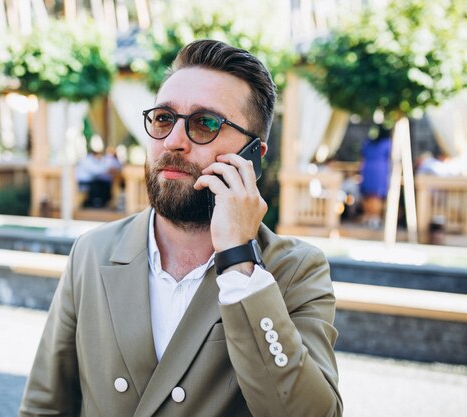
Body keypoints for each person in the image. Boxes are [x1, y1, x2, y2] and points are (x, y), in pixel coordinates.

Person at [19, 40, 342, 417]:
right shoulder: (92, 253)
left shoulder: (295, 270)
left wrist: (240, 262)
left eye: (205, 123)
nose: (173, 141)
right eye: (163, 118)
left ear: (253, 156)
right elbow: (45, 407)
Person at [359, 125, 392, 229]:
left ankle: (369, 216)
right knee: (376, 194)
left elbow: (362, 154)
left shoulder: (369, 143)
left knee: (369, 194)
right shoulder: (387, 143)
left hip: (367, 168)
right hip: (380, 170)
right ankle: (374, 217)